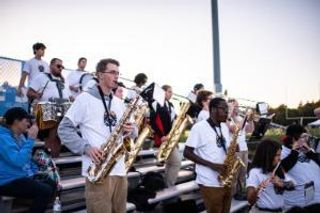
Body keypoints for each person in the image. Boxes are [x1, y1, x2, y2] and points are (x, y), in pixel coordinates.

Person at [58, 58, 137, 213]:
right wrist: (86, 148)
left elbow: (134, 131)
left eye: (118, 73)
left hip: (120, 169)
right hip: (98, 170)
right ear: (100, 74)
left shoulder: (119, 102)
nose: (117, 76)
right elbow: (64, 129)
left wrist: (131, 130)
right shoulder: (84, 99)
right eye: (112, 72)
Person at [0, 107, 56, 213]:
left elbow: (26, 159)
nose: (28, 124)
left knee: (52, 183)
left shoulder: (20, 135)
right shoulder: (2, 137)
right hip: (6, 181)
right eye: (26, 121)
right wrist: (31, 140)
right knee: (44, 190)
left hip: (20, 176)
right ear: (16, 121)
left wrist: (36, 166)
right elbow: (18, 161)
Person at [183, 97, 231, 213]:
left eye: (227, 109)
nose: (226, 112)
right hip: (209, 180)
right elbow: (187, 153)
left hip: (226, 178)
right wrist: (212, 165)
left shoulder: (224, 127)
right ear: (213, 109)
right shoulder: (199, 128)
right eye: (223, 109)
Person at [27, 58, 71, 157]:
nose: (60, 68)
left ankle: (54, 163)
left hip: (62, 109)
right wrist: (36, 95)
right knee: (53, 132)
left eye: (62, 67)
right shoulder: (42, 77)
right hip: (46, 110)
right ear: (51, 66)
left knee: (58, 137)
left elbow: (69, 97)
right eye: (58, 66)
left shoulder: (64, 81)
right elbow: (29, 92)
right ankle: (49, 162)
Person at [247, 139, 294, 213]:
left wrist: (281, 183)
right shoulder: (255, 172)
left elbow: (292, 185)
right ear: (268, 156)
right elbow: (250, 201)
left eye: (280, 155)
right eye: (277, 155)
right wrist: (257, 190)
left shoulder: (278, 169)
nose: (280, 158)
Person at [281, 124, 320, 210]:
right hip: (298, 206)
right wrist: (294, 152)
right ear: (293, 138)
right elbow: (281, 169)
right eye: (304, 136)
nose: (307, 139)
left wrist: (310, 153)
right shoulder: (281, 152)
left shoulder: (308, 150)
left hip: (316, 202)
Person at [149, 85, 181, 187]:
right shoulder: (156, 103)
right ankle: (169, 186)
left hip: (170, 138)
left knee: (170, 164)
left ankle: (166, 186)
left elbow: (172, 122)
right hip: (163, 137)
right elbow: (153, 121)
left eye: (171, 92)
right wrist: (161, 135)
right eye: (169, 92)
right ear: (163, 92)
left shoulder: (170, 105)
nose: (171, 94)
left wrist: (175, 140)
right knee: (176, 162)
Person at [227, 98, 254, 199]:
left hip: (244, 148)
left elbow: (250, 130)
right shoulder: (227, 118)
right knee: (234, 174)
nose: (237, 108)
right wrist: (246, 117)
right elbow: (235, 129)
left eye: (237, 106)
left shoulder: (239, 117)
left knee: (243, 172)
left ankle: (240, 192)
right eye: (234, 106)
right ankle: (231, 195)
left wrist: (250, 119)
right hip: (234, 149)